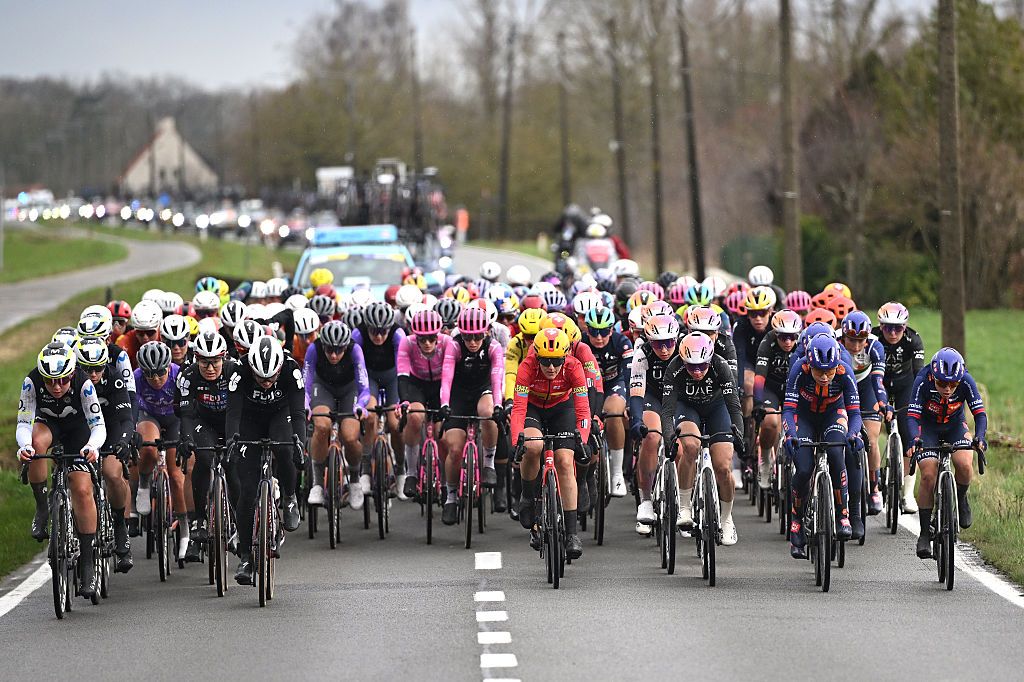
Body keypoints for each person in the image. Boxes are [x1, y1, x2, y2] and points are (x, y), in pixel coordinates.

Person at [18, 342, 106, 598]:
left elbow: (98, 425)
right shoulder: (31, 382)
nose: (56, 387)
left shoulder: (84, 383)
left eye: (62, 381)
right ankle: (42, 508)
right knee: (35, 444)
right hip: (49, 426)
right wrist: (24, 446)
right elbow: (24, 422)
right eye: (50, 381)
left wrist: (92, 445)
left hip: (78, 430)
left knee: (81, 488)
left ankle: (88, 562)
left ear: (71, 375)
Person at [226, 337, 305, 585]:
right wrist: (232, 440)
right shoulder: (240, 369)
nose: (267, 383)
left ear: (279, 368)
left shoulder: (291, 370)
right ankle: (247, 556)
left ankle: (290, 497)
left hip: (281, 416)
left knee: (285, 449)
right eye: (261, 379)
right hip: (250, 419)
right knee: (248, 491)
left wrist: (299, 443)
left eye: (271, 378)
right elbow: (233, 412)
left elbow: (299, 412)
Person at [510, 328, 591, 560]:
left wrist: (582, 440)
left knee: (565, 461)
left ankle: (572, 534)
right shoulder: (527, 366)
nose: (551, 367)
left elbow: (583, 409)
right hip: (533, 409)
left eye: (556, 361)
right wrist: (518, 439)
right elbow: (518, 409)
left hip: (561, 409)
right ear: (537, 356)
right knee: (533, 446)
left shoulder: (574, 367)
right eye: (546, 361)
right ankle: (527, 495)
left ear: (565, 357)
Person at [660, 332, 745, 545]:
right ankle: (685, 507)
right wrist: (670, 437)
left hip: (717, 408)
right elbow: (667, 410)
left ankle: (726, 519)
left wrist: (740, 435)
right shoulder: (674, 367)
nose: (697, 371)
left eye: (702, 366)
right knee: (690, 445)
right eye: (691, 366)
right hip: (687, 407)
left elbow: (734, 406)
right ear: (682, 360)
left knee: (723, 466)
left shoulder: (720, 365)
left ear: (710, 359)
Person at [782, 335, 863, 559]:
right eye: (819, 371)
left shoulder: (845, 372)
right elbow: (788, 409)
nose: (825, 376)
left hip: (832, 415)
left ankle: (842, 514)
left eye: (830, 371)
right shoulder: (799, 369)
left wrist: (853, 434)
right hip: (804, 417)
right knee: (805, 468)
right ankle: (796, 520)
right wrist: (790, 435)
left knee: (838, 454)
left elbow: (855, 412)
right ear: (809, 364)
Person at [908, 347, 987, 559]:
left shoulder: (966, 381)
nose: (948, 389)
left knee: (964, 463)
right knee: (928, 475)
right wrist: (915, 439)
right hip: (928, 427)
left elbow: (979, 414)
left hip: (954, 426)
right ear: (934, 376)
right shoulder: (923, 379)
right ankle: (924, 532)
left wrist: (980, 437)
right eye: (942, 383)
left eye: (953, 384)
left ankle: (961, 498)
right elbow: (912, 416)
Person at [438, 307, 505, 525]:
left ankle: (488, 463)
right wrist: (445, 404)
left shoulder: (493, 347)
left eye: (477, 336)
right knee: (455, 449)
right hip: (458, 395)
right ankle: (450, 497)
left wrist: (498, 405)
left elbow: (497, 378)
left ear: (486, 332)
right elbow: (446, 377)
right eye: (468, 336)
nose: (473, 342)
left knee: (487, 412)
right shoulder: (454, 345)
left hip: (482, 390)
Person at [175, 331, 237, 563]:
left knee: (235, 468)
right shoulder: (187, 375)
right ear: (196, 359)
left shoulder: (234, 372)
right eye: (204, 362)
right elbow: (186, 414)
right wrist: (186, 438)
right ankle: (199, 519)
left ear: (223, 358)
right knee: (203, 457)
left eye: (215, 362)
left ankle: (240, 525)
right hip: (204, 424)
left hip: (232, 421)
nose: (210, 368)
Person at [75, 338, 135, 573]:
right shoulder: (73, 381)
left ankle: (120, 524)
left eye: (98, 368)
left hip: (110, 427)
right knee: (80, 483)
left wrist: (123, 441)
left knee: (111, 472)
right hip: (82, 429)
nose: (93, 373)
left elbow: (126, 418)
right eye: (87, 369)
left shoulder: (114, 378)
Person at [304, 321, 372, 511]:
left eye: (339, 350)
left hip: (349, 390)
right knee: (322, 426)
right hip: (323, 388)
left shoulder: (355, 350)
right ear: (322, 345)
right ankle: (317, 484)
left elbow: (364, 387)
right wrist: (305, 405)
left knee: (350, 436)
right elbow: (306, 383)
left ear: (346, 346)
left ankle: (355, 479)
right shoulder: (313, 348)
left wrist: (360, 405)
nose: (333, 355)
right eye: (329, 350)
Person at [134, 341, 190, 561]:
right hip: (150, 417)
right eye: (149, 374)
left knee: (177, 476)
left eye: (159, 373)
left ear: (168, 367)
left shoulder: (180, 376)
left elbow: (188, 410)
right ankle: (145, 484)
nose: (155, 379)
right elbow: (132, 408)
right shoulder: (136, 378)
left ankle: (185, 528)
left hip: (175, 419)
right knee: (147, 447)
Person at [397, 309, 458, 500]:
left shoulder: (448, 343)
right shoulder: (406, 343)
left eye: (431, 339)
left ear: (438, 335)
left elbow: (448, 377)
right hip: (417, 385)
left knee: (443, 435)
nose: (427, 344)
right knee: (414, 417)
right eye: (422, 339)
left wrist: (445, 404)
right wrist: (404, 401)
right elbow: (402, 376)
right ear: (416, 337)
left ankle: (447, 484)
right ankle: (411, 474)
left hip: (441, 384)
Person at [839, 310, 890, 531]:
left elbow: (878, 379)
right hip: (841, 388)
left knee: (870, 438)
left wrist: (882, 402)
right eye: (852, 340)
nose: (857, 345)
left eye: (861, 340)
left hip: (866, 387)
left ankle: (874, 486)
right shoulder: (835, 344)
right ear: (843, 336)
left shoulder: (875, 346)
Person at [872, 301, 925, 513]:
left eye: (898, 328)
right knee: (872, 430)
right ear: (880, 326)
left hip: (905, 386)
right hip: (879, 384)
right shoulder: (873, 338)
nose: (892, 333)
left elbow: (920, 372)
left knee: (909, 435)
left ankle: (907, 494)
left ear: (905, 327)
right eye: (887, 327)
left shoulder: (914, 340)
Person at [353, 301, 408, 497]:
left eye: (383, 331)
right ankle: (366, 468)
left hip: (392, 376)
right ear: (367, 327)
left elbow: (402, 369)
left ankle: (401, 469)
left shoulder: (398, 335)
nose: (378, 336)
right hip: (369, 377)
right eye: (374, 331)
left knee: (395, 423)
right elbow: (357, 368)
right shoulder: (357, 335)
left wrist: (402, 400)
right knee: (369, 416)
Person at [581, 305, 633, 507]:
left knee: (613, 413)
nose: (599, 337)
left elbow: (629, 375)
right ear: (587, 330)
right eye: (594, 331)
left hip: (614, 385)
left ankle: (617, 471)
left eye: (604, 332)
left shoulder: (622, 342)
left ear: (612, 330)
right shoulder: (581, 343)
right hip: (589, 387)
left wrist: (629, 403)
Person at [752, 309, 803, 489]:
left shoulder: (803, 344)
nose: (788, 342)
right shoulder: (767, 342)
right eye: (783, 337)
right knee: (771, 422)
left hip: (794, 388)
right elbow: (759, 377)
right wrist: (758, 403)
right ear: (775, 333)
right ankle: (765, 458)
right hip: (771, 388)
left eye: (792, 337)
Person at [117, 300, 163, 368]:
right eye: (140, 332)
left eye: (150, 332)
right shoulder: (125, 341)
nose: (145, 337)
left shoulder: (165, 337)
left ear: (158, 328)